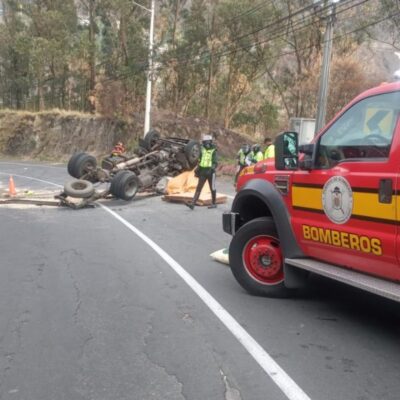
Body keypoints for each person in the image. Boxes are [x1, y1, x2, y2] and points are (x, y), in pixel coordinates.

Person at [186, 134, 218, 210]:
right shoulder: (202, 149)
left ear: (210, 142)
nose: (206, 143)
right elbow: (200, 160)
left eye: (208, 142)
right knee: (198, 188)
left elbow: (215, 162)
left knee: (212, 188)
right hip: (203, 172)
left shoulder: (214, 150)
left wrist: (211, 169)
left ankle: (214, 203)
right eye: (205, 142)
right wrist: (198, 169)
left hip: (211, 172)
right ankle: (192, 204)